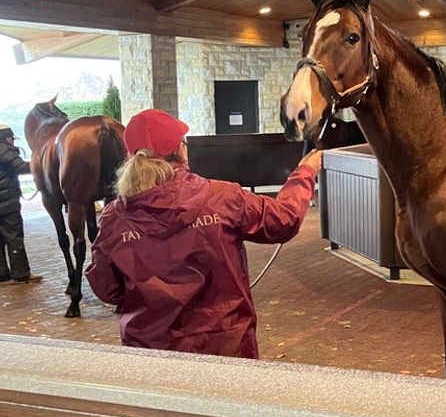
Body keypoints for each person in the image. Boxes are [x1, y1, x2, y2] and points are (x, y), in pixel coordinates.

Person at [87, 109, 322, 359]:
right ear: (180, 150)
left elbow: (107, 288)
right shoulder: (223, 198)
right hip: (225, 347)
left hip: (150, 355)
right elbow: (284, 220)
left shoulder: (114, 219)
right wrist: (305, 172)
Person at [0, 124, 42, 285]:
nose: (13, 141)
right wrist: (40, 162)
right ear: (7, 138)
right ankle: (21, 273)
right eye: (11, 138)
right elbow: (21, 167)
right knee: (14, 236)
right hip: (7, 202)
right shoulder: (5, 148)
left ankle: (2, 274)